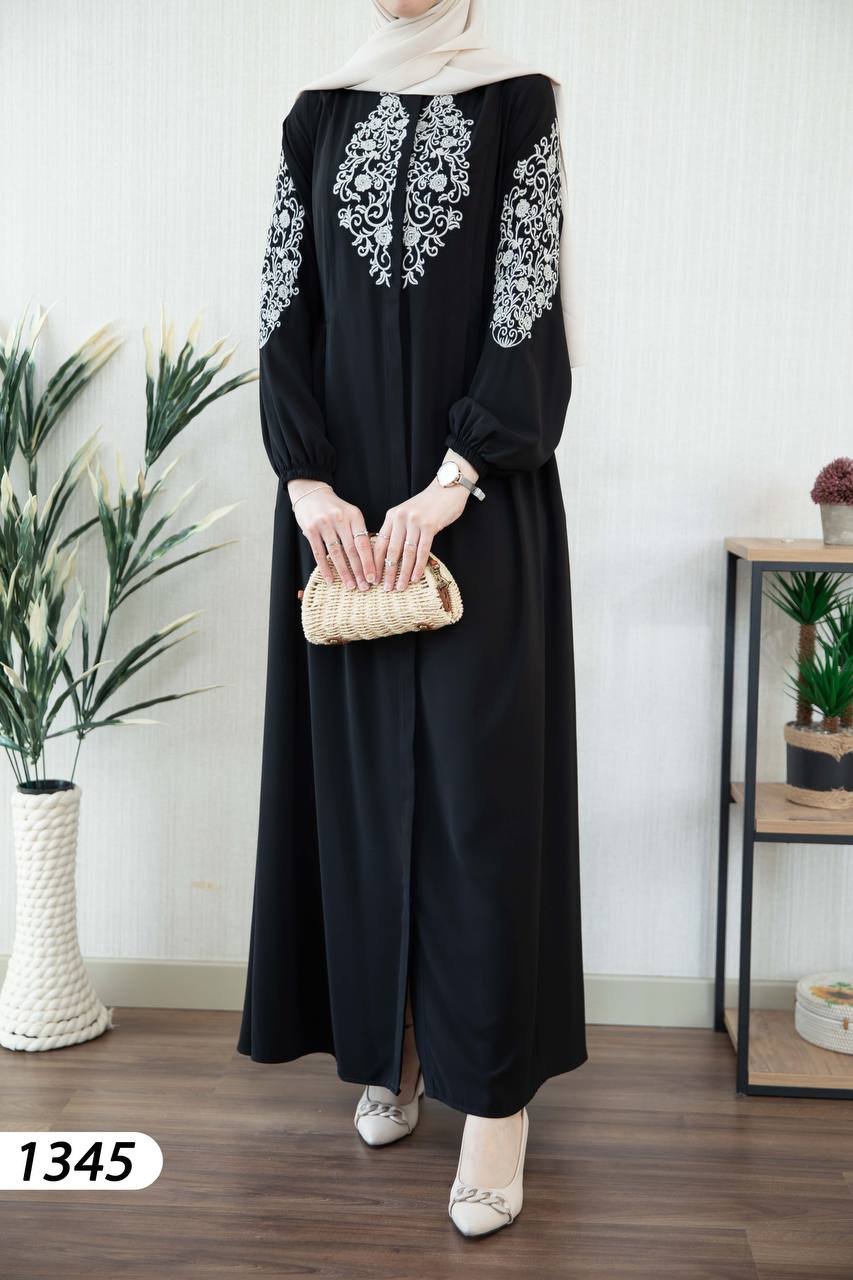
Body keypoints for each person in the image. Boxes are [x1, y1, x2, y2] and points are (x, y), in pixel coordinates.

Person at [238, 0, 588, 1238]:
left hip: (473, 505)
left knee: (477, 802)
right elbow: (282, 304)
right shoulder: (316, 113)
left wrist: (454, 479)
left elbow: (527, 301)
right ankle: (393, 1045)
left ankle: (494, 1101)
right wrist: (305, 480)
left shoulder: (516, 100)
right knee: (362, 791)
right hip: (341, 520)